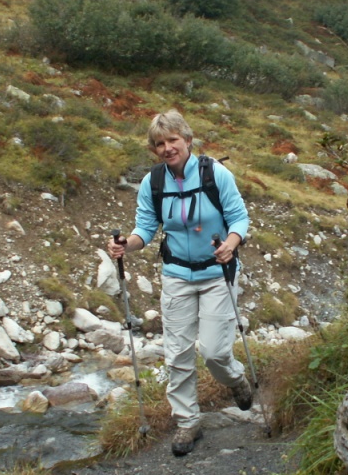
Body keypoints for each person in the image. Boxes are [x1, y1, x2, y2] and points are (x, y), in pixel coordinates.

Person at [107, 109, 252, 457]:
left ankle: (236, 379)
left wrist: (230, 245)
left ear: (187, 140)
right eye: (159, 144)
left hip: (217, 273)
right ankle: (188, 421)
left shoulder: (216, 174)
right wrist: (127, 244)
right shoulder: (153, 182)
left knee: (215, 352)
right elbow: (145, 228)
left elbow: (239, 218)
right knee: (177, 354)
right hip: (176, 275)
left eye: (172, 140)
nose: (167, 148)